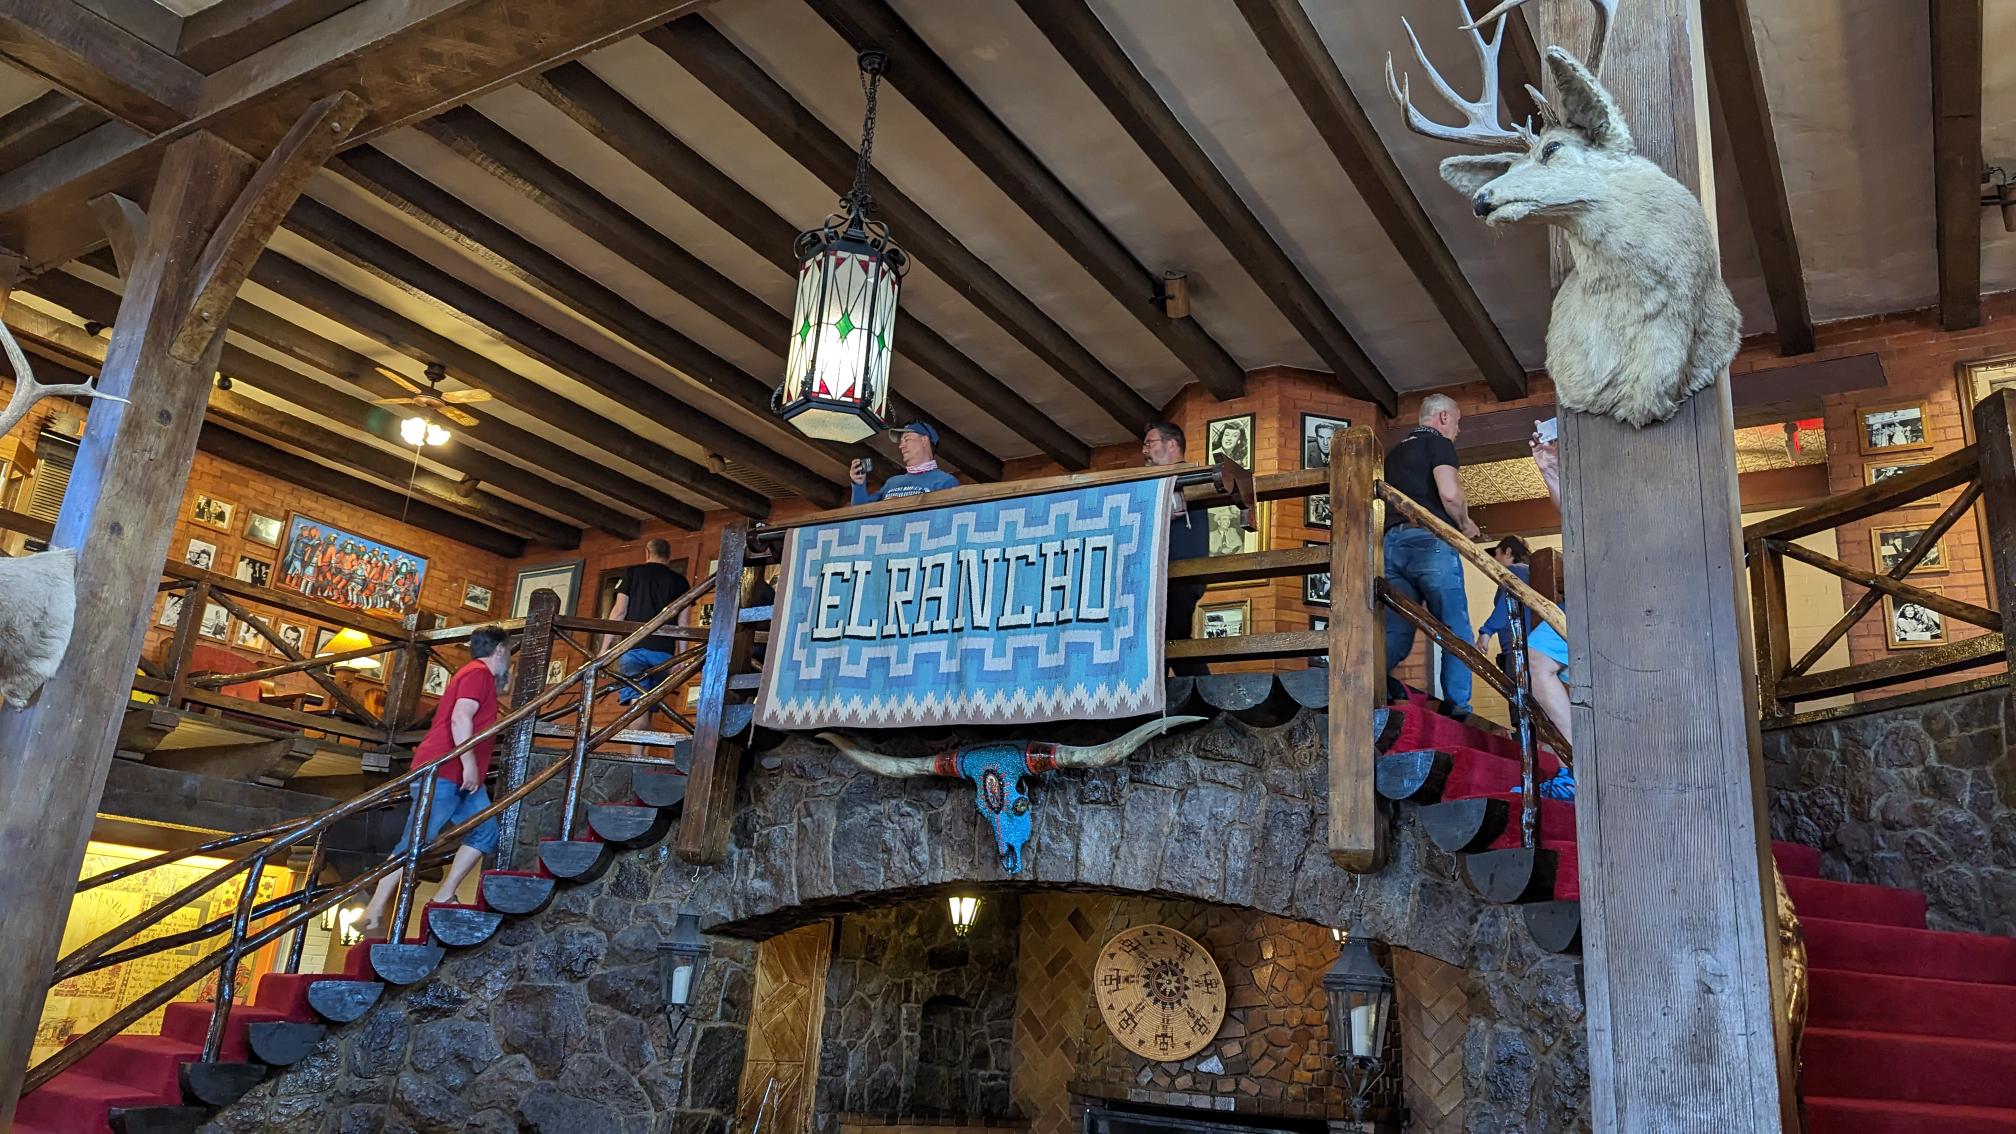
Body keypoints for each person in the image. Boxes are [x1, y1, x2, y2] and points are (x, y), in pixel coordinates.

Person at [361, 624, 510, 935]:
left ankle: (445, 894)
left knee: (485, 831)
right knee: (417, 838)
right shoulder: (477, 674)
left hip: (461, 776)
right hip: (444, 770)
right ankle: (374, 906)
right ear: (499, 649)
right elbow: (460, 717)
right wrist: (469, 764)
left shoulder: (476, 675)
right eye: (507, 651)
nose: (508, 657)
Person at [1382, 394, 1482, 720]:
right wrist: (1465, 525)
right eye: (1457, 422)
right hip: (1430, 542)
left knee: (1396, 631)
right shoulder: (1438, 444)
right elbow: (1450, 494)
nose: (1458, 430)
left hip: (1391, 545)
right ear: (1442, 418)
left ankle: (1366, 687)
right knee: (1455, 628)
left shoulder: (1394, 454)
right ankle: (1458, 708)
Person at [1142, 421, 1210, 677]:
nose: (1145, 451)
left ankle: (1198, 692)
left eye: (1150, 443)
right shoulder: (1170, 480)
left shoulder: (1188, 476)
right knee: (1170, 637)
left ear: (1171, 444)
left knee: (1169, 637)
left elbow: (1175, 509)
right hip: (1171, 573)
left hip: (1179, 571)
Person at [1524, 433, 1573, 746]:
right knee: (1537, 657)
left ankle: (1579, 762)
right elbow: (1575, 513)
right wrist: (1550, 470)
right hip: (1590, 591)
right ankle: (1578, 761)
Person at [604, 538, 691, 707]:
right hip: (663, 654)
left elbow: (619, 612)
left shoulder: (633, 573)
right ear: (669, 556)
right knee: (649, 703)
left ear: (647, 553)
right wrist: (682, 658)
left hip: (633, 649)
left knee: (637, 700)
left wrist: (605, 649)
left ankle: (635, 724)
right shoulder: (680, 582)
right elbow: (684, 623)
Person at [849, 421, 959, 503]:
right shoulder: (892, 483)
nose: (901, 446)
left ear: (924, 441)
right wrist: (858, 484)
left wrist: (900, 504)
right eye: (901, 442)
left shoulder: (945, 481)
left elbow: (943, 518)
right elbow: (861, 514)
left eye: (907, 439)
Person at [1476, 535, 1534, 675]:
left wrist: (1487, 631)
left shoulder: (1515, 571)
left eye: (1497, 554)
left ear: (1508, 552)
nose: (1495, 560)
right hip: (1527, 648)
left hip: (1518, 649)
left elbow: (1506, 604)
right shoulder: (1528, 572)